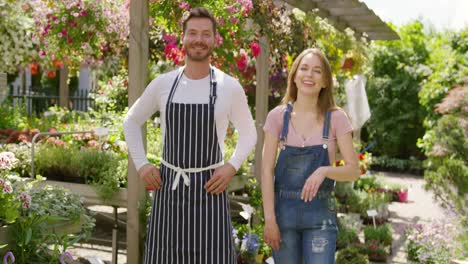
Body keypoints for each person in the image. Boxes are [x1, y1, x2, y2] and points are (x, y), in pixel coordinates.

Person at [123, 7, 256, 263]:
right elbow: (131, 121)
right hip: (169, 193)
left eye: (206, 34)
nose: (199, 39)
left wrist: (231, 167)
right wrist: (141, 165)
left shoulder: (229, 86)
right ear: (182, 38)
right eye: (193, 33)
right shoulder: (164, 84)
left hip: (211, 192)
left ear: (214, 40)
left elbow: (249, 132)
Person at [261, 48, 361, 263]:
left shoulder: (336, 118)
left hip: (320, 220)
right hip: (283, 218)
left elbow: (353, 170)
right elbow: (267, 171)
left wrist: (324, 170)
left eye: (317, 71)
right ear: (294, 76)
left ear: (325, 81)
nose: (309, 75)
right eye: (304, 69)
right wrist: (269, 219)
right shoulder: (277, 117)